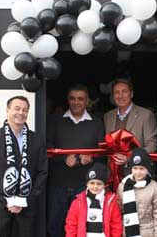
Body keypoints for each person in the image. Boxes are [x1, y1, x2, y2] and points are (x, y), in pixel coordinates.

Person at [0, 96, 48, 237]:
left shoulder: (37, 139)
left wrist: (26, 199)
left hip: (26, 207)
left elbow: (42, 172)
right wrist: (4, 201)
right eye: (17, 108)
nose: (21, 113)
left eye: (25, 110)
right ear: (7, 110)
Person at [47, 84, 105, 237]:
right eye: (72, 98)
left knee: (83, 226)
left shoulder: (96, 122)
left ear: (87, 101)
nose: (76, 102)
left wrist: (92, 158)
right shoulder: (55, 120)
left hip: (84, 185)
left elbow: (104, 152)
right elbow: (47, 146)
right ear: (68, 100)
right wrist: (63, 158)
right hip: (58, 184)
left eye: (80, 99)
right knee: (55, 226)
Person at [103, 79, 157, 168]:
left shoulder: (146, 115)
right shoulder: (108, 116)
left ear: (131, 94)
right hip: (112, 173)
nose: (120, 96)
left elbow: (152, 145)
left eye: (124, 91)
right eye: (117, 92)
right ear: (113, 96)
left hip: (137, 173)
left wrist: (130, 157)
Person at [116, 147, 157, 237]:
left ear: (147, 169)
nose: (138, 172)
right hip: (126, 232)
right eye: (135, 168)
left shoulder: (155, 188)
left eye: (142, 168)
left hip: (147, 233)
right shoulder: (122, 186)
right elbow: (117, 213)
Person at [65, 162, 123, 237]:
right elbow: (71, 225)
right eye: (92, 183)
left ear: (105, 185)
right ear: (87, 184)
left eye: (99, 184)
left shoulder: (111, 202)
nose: (95, 186)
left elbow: (116, 225)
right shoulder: (77, 202)